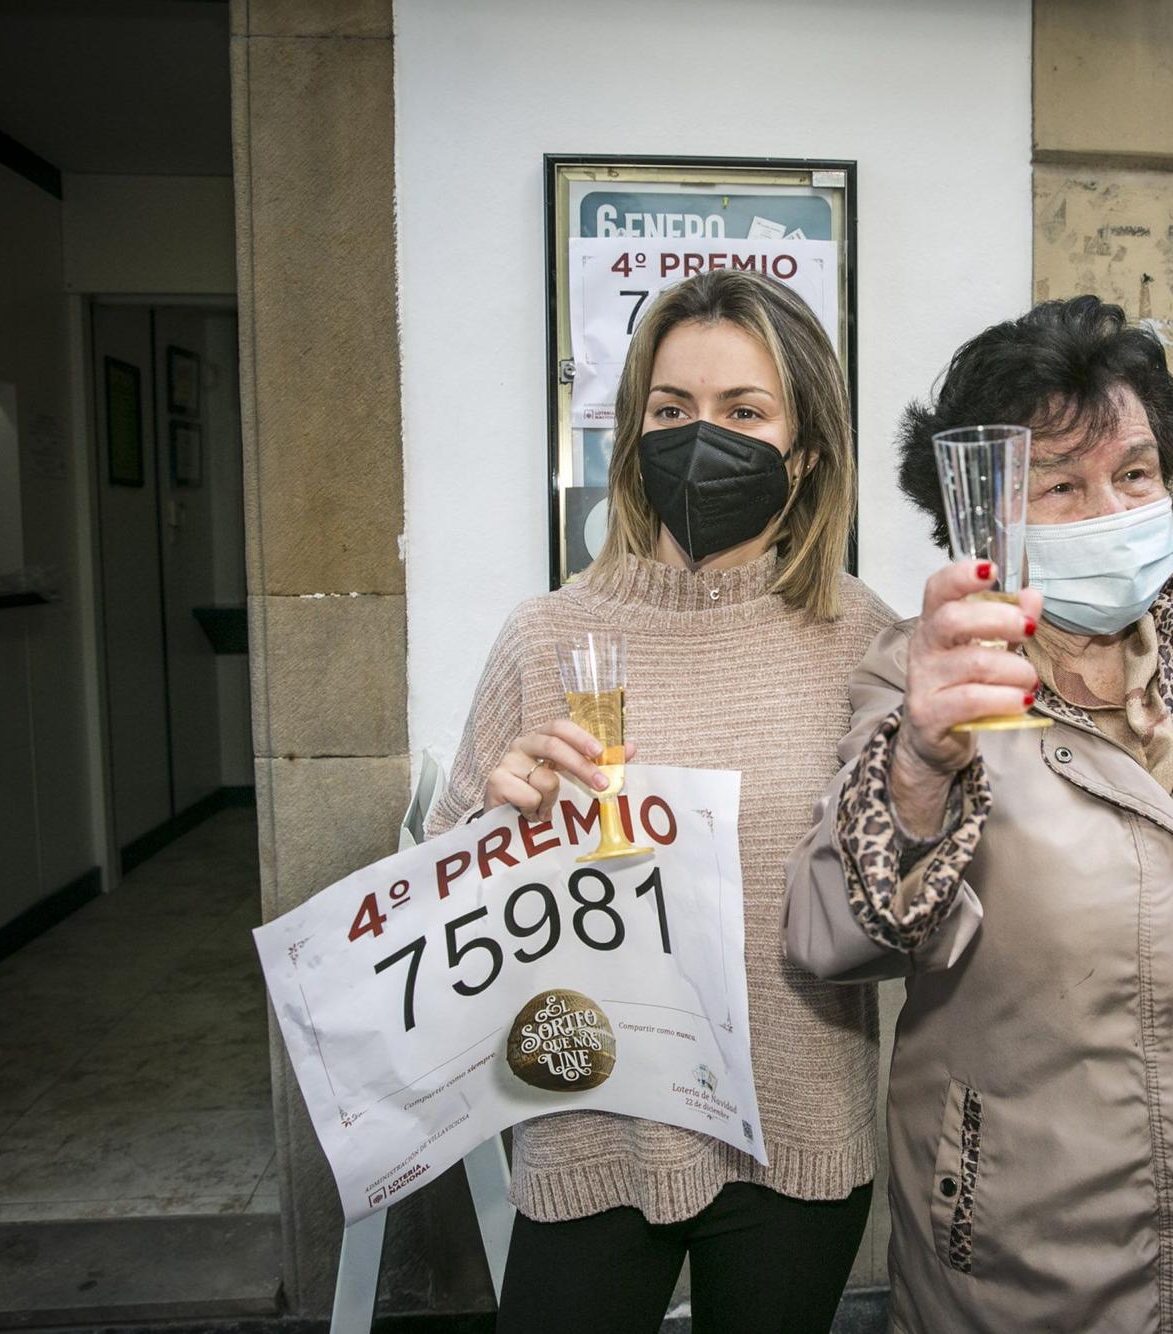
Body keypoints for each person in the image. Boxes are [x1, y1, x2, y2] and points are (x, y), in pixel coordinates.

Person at [784, 295, 1173, 1332]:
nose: (1108, 510)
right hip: (1020, 1273)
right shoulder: (924, 676)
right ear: (986, 511)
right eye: (1059, 484)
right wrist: (919, 759)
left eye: (1131, 473)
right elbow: (830, 938)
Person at [425, 269, 895, 1333]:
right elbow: (445, 894)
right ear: (631, 432)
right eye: (670, 410)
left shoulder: (863, 638)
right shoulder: (546, 635)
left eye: (743, 412)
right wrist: (501, 825)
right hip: (592, 1121)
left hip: (795, 1126)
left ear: (805, 447)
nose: (700, 437)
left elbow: (896, 894)